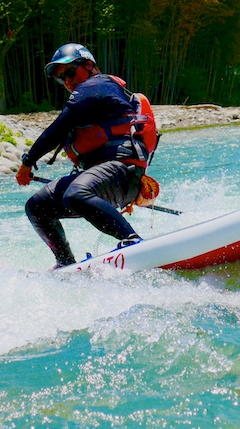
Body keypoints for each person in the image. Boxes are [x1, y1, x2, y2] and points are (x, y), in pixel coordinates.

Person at [15, 42, 156, 268]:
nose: (67, 81)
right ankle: (65, 262)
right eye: (61, 78)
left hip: (123, 171)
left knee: (76, 193)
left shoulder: (96, 85)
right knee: (37, 206)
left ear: (89, 65)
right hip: (102, 178)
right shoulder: (90, 96)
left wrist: (28, 162)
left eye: (70, 72)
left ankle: (133, 241)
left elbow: (57, 130)